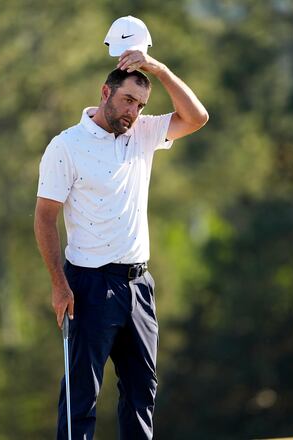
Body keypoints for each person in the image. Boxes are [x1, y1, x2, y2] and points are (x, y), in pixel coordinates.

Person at [34, 48, 208, 439]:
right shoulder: (66, 146)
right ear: (105, 92)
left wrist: (158, 68)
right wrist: (58, 284)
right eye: (128, 100)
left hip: (138, 286)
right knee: (81, 397)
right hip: (88, 286)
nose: (133, 112)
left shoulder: (143, 133)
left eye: (141, 105)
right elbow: (45, 217)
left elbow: (197, 117)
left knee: (140, 393)